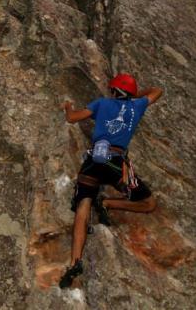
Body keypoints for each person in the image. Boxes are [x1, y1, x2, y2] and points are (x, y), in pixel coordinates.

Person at [58, 73, 163, 288]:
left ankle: (74, 262)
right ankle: (108, 203)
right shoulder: (137, 107)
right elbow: (157, 90)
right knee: (149, 203)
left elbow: (72, 118)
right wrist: (136, 96)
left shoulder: (102, 103)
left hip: (94, 161)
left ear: (114, 91)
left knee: (82, 207)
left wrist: (68, 107)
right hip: (116, 165)